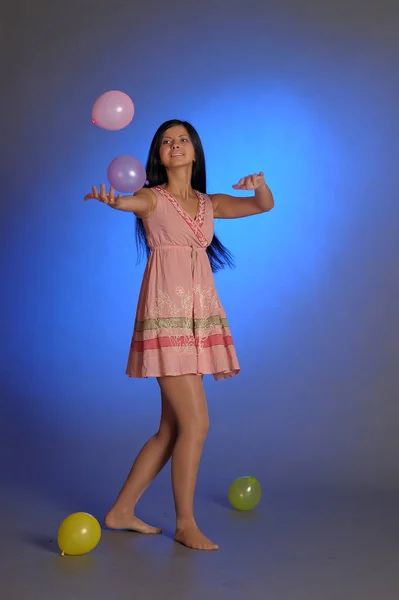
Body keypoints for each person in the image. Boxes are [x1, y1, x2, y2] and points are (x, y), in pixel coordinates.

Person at [84, 119, 274, 551]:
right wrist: (114, 202)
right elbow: (132, 203)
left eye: (182, 139)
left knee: (171, 429)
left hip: (197, 319)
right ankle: (185, 523)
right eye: (166, 141)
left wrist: (260, 185)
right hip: (167, 317)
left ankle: (121, 511)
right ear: (159, 154)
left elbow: (263, 206)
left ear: (195, 150)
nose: (175, 146)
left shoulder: (210, 204)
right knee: (196, 423)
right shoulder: (153, 199)